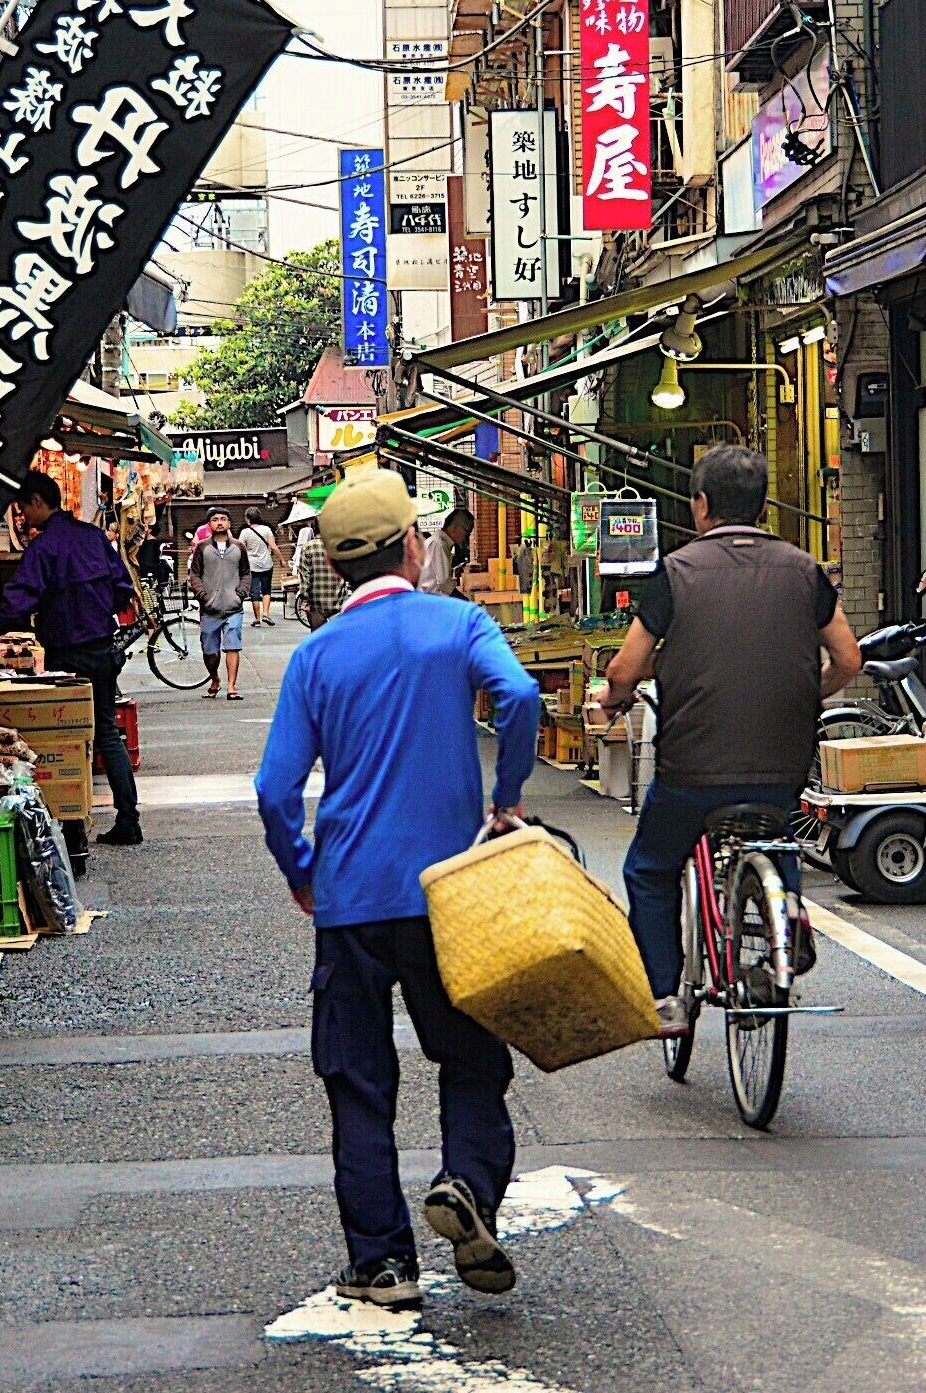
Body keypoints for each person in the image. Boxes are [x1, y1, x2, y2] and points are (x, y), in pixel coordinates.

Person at [255, 471, 542, 1310]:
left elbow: (274, 791)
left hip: (349, 897)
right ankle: (468, 1184)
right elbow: (520, 694)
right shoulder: (457, 623)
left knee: (357, 1079)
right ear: (413, 546)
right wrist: (507, 797)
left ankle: (382, 1264)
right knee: (471, 1055)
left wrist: (302, 870)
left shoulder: (315, 658)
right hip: (450, 894)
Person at [600, 445, 862, 1035]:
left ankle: (664, 996)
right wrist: (806, 694)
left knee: (650, 868)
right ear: (762, 505)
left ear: (701, 505)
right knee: (774, 829)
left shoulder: (676, 572)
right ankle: (787, 915)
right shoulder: (805, 570)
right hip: (782, 761)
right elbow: (849, 659)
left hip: (692, 768)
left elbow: (624, 669)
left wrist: (615, 698)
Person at [0, 472, 143, 847]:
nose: (22, 517)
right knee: (105, 731)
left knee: (67, 739)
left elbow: (19, 599)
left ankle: (73, 830)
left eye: (23, 509)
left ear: (37, 501)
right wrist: (97, 610)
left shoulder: (43, 548)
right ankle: (129, 819)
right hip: (103, 649)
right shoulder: (93, 537)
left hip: (65, 656)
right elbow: (122, 588)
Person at [187, 510, 249, 699]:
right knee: (209, 651)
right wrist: (204, 597)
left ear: (229, 523)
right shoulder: (202, 547)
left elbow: (246, 573)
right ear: (209, 524)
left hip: (233, 608)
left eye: (223, 519)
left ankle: (231, 687)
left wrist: (240, 594)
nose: (219, 522)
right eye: (215, 519)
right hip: (209, 609)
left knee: (233, 646)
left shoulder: (239, 547)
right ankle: (214, 678)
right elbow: (194, 574)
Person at [293, 522, 350, 630]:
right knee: (338, 636)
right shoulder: (340, 546)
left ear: (314, 529)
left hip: (316, 604)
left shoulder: (308, 547)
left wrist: (304, 601)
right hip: (339, 602)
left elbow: (305, 578)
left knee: (319, 636)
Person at [419, 506, 474, 596]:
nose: (467, 537)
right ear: (456, 528)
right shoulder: (438, 544)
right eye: (467, 532)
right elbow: (443, 582)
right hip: (430, 599)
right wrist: (463, 600)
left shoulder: (441, 544)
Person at [238, 513, 280, 627]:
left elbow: (240, 548)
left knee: (254, 592)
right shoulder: (266, 529)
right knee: (266, 590)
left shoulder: (245, 532)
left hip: (252, 566)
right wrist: (281, 560)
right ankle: (265, 614)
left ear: (248, 519)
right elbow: (273, 546)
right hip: (266, 564)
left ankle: (257, 620)